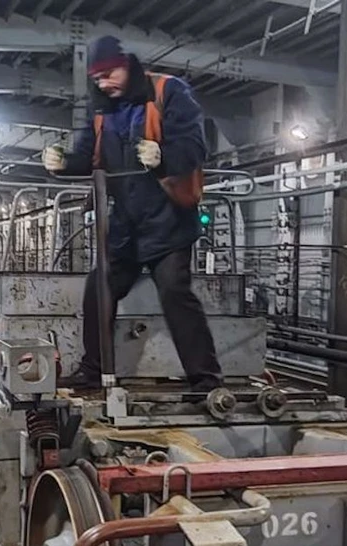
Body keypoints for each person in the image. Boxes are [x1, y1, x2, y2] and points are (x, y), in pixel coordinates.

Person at [42, 35, 222, 392]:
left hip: (168, 220)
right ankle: (94, 373)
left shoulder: (169, 91)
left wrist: (163, 156)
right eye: (97, 79)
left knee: (175, 293)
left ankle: (206, 380)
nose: (104, 83)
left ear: (127, 64)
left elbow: (194, 146)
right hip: (125, 225)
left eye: (109, 74)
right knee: (99, 289)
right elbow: (87, 157)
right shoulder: (101, 111)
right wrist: (62, 163)